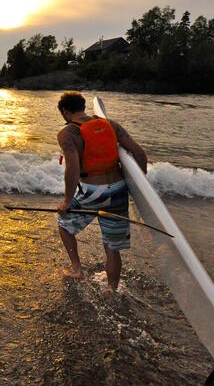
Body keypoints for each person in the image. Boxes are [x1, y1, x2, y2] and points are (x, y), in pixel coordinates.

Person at [55, 91, 147, 292]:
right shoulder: (110, 125)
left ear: (64, 112)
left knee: (64, 225)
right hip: (118, 190)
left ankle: (77, 269)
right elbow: (140, 153)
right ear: (83, 106)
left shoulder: (68, 134)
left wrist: (67, 201)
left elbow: (73, 169)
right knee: (112, 246)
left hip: (92, 192)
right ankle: (111, 290)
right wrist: (141, 188)